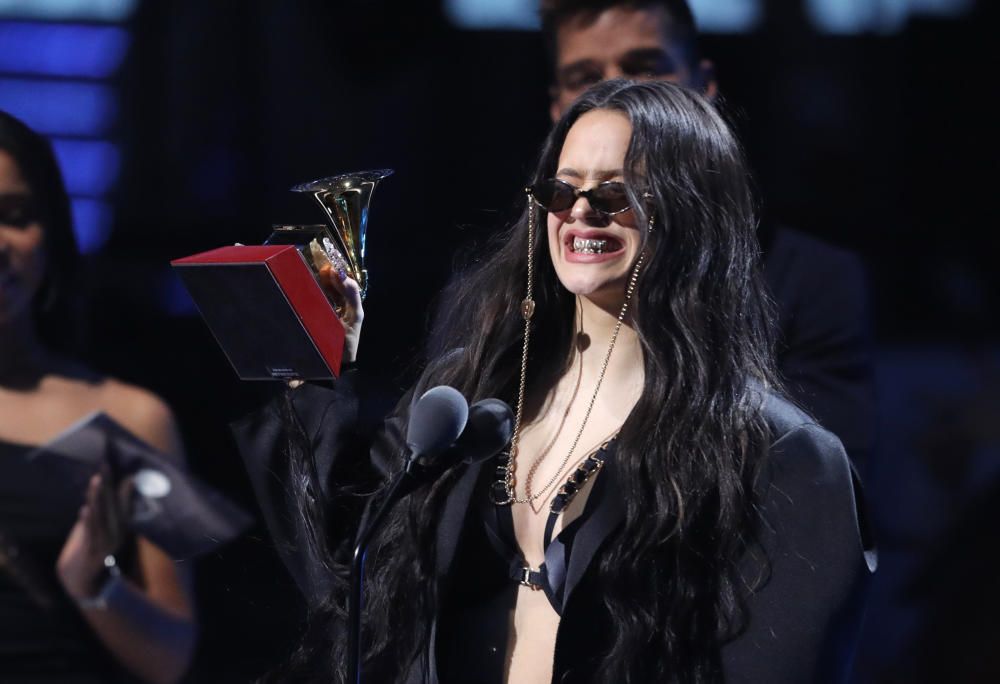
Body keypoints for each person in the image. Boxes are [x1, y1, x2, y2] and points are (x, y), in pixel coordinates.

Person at [234, 80, 872, 683]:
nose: (582, 213)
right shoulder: (467, 402)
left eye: (616, 194)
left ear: (691, 213)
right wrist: (314, 373)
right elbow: (347, 574)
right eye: (562, 191)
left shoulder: (781, 457)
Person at [540, 0, 877, 473]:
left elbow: (825, 487)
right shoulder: (491, 299)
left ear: (705, 86)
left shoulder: (811, 280)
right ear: (558, 107)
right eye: (585, 78)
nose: (616, 95)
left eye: (644, 68)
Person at [0, 110, 196, 683]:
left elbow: (173, 653)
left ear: (53, 232)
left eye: (17, 216)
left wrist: (97, 585)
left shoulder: (133, 417)